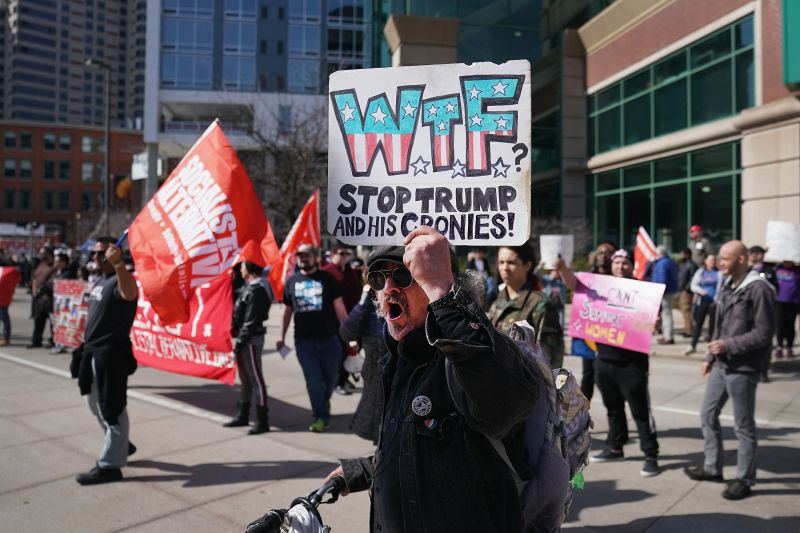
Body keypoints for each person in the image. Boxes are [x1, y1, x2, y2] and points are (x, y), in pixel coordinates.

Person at [324, 226, 544, 532]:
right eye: (377, 278)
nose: (389, 287)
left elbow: (507, 404)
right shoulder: (399, 359)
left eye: (403, 275)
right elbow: (425, 454)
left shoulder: (469, 356)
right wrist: (361, 470)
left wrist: (443, 292)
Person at [684, 241, 776, 500]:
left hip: (743, 368)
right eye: (720, 258)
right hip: (721, 365)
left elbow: (764, 332)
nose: (720, 263)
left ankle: (745, 478)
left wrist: (728, 345)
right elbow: (719, 327)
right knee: (707, 415)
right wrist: (709, 356)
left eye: (726, 258)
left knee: (743, 426)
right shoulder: (727, 285)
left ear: (742, 259)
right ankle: (713, 467)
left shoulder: (758, 289)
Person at [588, 249, 661, 477]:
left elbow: (650, 323)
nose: (621, 266)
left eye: (625, 263)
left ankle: (651, 455)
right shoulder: (602, 289)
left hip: (632, 364)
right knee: (613, 408)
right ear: (612, 266)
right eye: (617, 262)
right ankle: (615, 446)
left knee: (640, 412)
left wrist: (654, 323)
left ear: (632, 266)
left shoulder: (643, 291)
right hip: (604, 360)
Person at [75, 237, 138, 485]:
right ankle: (122, 445)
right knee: (93, 402)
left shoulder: (121, 279)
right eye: (94, 254)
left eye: (101, 254)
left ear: (114, 253)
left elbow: (130, 292)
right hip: (91, 352)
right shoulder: (101, 280)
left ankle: (110, 465)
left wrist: (120, 265)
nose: (96, 258)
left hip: (111, 354)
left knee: (112, 409)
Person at [278, 244, 348, 433]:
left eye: (307, 255)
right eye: (300, 256)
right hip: (304, 341)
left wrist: (349, 335)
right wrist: (281, 337)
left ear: (316, 258)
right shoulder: (291, 281)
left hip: (330, 340)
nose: (303, 259)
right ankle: (321, 416)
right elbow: (286, 311)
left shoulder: (328, 279)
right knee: (314, 380)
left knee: (331, 378)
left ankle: (322, 404)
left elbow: (339, 308)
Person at [557, 240, 617, 401]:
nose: (603, 255)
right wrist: (562, 268)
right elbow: (571, 282)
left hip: (613, 335)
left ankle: (614, 410)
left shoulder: (620, 280)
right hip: (591, 334)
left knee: (608, 376)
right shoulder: (588, 278)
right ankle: (583, 412)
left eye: (608, 252)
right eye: (600, 252)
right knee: (588, 374)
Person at [487, 243, 564, 369]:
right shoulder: (498, 301)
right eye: (501, 262)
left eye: (511, 262)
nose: (504, 268)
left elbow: (550, 361)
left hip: (527, 384)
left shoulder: (540, 304)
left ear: (527, 265)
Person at [223, 261, 272, 434]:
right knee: (245, 379)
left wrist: (240, 341)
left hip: (251, 339)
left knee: (256, 379)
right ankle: (243, 415)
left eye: (243, 266)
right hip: (244, 338)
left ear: (249, 269)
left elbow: (251, 321)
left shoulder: (257, 290)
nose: (240, 269)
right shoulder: (248, 288)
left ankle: (262, 420)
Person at [339, 284, 384, 444]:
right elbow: (347, 332)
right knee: (380, 441)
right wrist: (364, 298)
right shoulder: (370, 308)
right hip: (375, 382)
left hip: (404, 385)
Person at [322, 243, 364, 396]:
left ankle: (344, 379)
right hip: (335, 321)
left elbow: (358, 292)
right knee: (340, 352)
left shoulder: (351, 272)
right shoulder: (326, 272)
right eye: (341, 253)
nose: (344, 256)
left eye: (347, 253)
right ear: (333, 254)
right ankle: (338, 382)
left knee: (352, 350)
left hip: (353, 319)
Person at [685, 253, 723, 356]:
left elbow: (720, 289)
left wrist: (716, 300)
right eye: (710, 260)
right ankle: (693, 345)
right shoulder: (701, 272)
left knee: (712, 326)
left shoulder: (719, 273)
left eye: (714, 260)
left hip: (713, 302)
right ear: (705, 261)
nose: (712, 262)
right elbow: (693, 285)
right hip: (702, 301)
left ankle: (709, 347)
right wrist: (700, 290)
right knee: (698, 324)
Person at [650, 245, 680, 345]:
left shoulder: (662, 264)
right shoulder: (671, 262)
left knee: (666, 314)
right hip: (670, 291)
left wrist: (659, 291)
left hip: (664, 292)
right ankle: (667, 335)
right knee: (667, 314)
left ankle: (668, 337)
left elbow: (663, 279)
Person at [27, 247, 55, 348]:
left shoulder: (54, 266)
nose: (41, 255)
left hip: (48, 298)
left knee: (52, 322)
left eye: (44, 253)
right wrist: (34, 292)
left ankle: (53, 341)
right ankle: (36, 341)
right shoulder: (40, 264)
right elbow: (34, 278)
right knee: (38, 320)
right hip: (38, 298)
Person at [774, 260, 799, 359]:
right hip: (779, 301)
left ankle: (789, 347)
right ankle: (779, 347)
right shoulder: (775, 268)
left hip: (793, 302)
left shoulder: (797, 270)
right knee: (780, 325)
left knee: (790, 326)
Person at [535, 260, 567, 327]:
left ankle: (559, 337)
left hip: (560, 307)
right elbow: (535, 274)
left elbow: (569, 279)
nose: (556, 272)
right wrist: (539, 267)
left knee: (560, 326)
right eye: (554, 270)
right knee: (548, 325)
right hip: (549, 307)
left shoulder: (561, 281)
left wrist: (562, 269)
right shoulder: (547, 280)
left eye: (557, 271)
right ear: (551, 271)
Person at [677, 248, 698, 338]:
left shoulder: (691, 265)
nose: (680, 256)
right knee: (684, 310)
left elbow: (693, 278)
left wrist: (687, 288)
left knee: (686, 310)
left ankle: (689, 330)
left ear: (687, 255)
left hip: (687, 291)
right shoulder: (684, 264)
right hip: (683, 290)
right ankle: (687, 328)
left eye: (682, 254)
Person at [0, 261, 21, 346]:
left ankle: (6, 338)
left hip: (3, 299)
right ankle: (5, 337)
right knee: (4, 318)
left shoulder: (8, 271)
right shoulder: (9, 271)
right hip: (4, 298)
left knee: (4, 318)